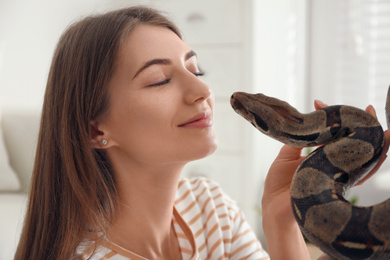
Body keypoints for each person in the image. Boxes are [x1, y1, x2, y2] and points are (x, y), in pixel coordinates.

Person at [14, 6, 389, 260]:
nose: (204, 92)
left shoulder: (209, 208)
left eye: (196, 71)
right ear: (97, 130)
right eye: (159, 80)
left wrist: (281, 216)